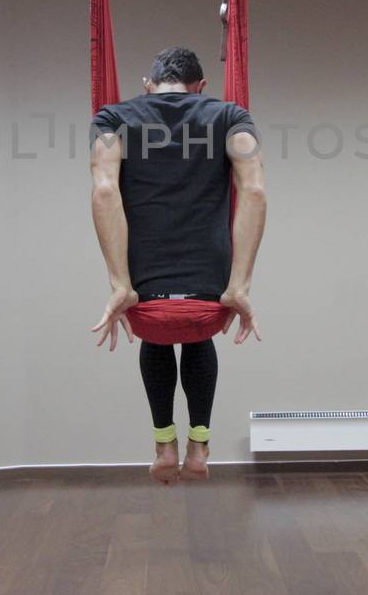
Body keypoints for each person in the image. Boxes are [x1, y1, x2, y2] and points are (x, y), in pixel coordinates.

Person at [89, 47, 266, 484]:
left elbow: (105, 190)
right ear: (201, 87)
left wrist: (120, 284)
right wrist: (239, 286)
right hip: (210, 282)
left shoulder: (114, 118)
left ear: (148, 85)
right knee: (196, 332)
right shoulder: (230, 117)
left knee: (159, 333)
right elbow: (255, 190)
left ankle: (163, 443)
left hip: (144, 282)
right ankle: (199, 445)